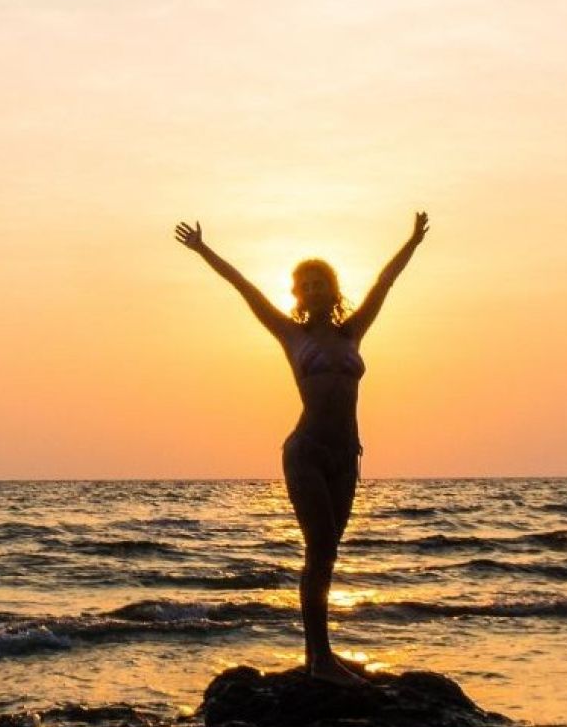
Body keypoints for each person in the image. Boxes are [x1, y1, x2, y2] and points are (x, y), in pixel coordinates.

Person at [174, 213, 428, 685]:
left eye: (320, 283)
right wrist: (204, 250)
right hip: (307, 451)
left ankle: (318, 657)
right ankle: (322, 660)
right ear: (297, 295)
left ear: (333, 291)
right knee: (319, 548)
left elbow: (385, 282)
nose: (312, 290)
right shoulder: (292, 336)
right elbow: (244, 286)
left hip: (345, 456)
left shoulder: (353, 332)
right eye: (305, 285)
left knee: (328, 554)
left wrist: (412, 240)